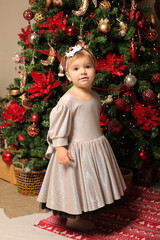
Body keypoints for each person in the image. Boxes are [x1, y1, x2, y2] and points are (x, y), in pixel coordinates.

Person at [37, 45, 126, 231]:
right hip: (75, 149)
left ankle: (90, 206)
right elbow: (58, 127)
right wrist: (60, 148)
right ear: (68, 75)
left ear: (95, 69)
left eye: (88, 67)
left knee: (92, 180)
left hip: (95, 146)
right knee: (75, 184)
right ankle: (74, 219)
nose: (83, 72)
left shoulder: (94, 96)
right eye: (76, 69)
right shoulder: (68, 101)